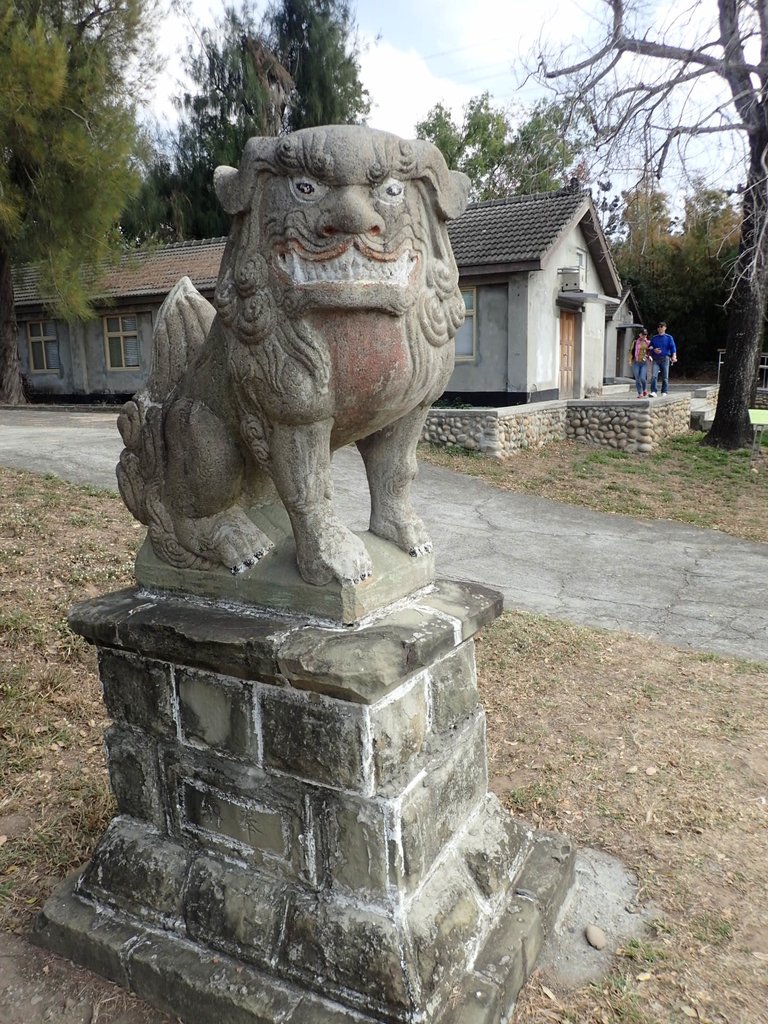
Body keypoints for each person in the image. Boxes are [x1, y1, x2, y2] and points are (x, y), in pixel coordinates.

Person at [648, 321, 677, 396]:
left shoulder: (669, 337)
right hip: (656, 359)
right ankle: (653, 391)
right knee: (654, 376)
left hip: (665, 358)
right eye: (658, 327)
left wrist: (674, 356)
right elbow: (650, 348)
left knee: (665, 377)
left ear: (665, 328)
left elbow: (673, 347)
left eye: (661, 326)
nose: (660, 328)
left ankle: (664, 391)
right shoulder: (654, 338)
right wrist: (654, 350)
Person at [628, 329, 650, 397]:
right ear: (640, 334)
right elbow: (631, 351)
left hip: (644, 362)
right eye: (643, 334)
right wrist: (630, 360)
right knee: (637, 378)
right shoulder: (635, 342)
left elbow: (650, 351)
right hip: (636, 362)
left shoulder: (648, 342)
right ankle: (640, 393)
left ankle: (644, 389)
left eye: (645, 334)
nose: (644, 336)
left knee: (643, 378)